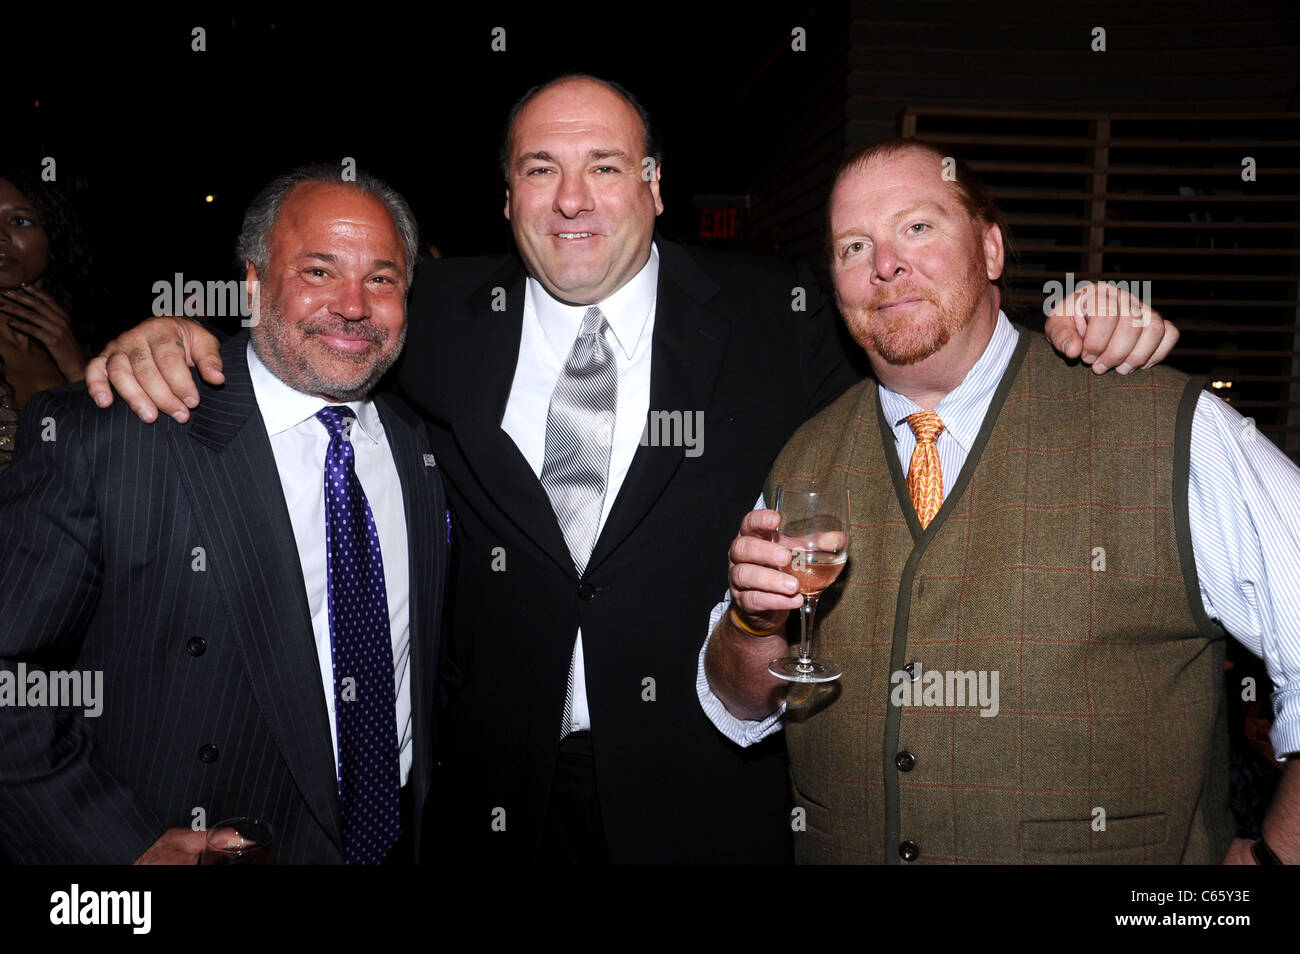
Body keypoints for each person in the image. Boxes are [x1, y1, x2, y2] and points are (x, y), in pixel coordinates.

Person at [81, 77, 1174, 863]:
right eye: (539, 170)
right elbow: (317, 328)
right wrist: (181, 335)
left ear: (653, 187)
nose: (572, 198)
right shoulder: (440, 315)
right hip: (484, 798)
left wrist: (1071, 317)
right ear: (505, 199)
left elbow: (922, 329)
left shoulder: (778, 314)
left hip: (707, 791)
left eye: (605, 167)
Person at [703, 139, 1300, 865]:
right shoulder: (805, 454)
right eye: (853, 245)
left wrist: (1274, 859)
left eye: (917, 227)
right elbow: (738, 703)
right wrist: (750, 621)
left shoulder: (1162, 425)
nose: (885, 263)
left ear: (990, 250)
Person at [0, 164, 448, 864]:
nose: (353, 305)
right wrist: (119, 847)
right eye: (319, 271)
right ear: (252, 283)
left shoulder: (425, 439)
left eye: (383, 278)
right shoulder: (116, 433)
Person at [0, 173, 91, 470]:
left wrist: (76, 368)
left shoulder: (82, 343)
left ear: (53, 240)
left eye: (19, 221)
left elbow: (114, 459)